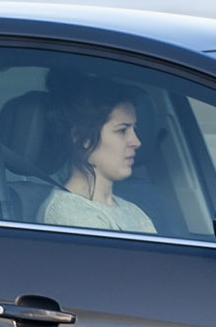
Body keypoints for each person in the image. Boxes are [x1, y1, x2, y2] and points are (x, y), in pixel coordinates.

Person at [38, 78, 157, 233]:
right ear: (83, 138)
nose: (136, 142)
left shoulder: (133, 210)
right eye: (122, 130)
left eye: (134, 129)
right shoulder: (69, 214)